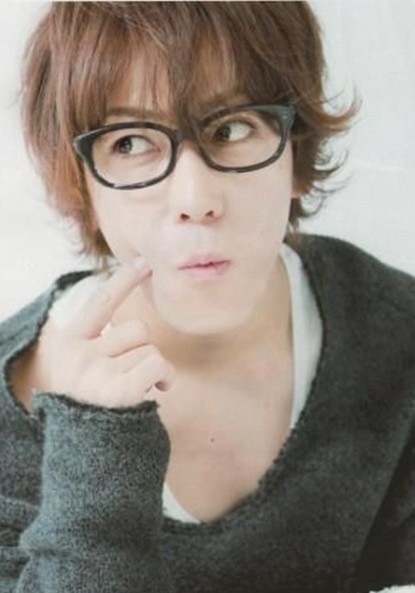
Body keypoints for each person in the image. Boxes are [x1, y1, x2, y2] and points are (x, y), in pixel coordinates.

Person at [0, 2, 413, 592]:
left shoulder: (396, 339)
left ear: (296, 152)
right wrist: (96, 444)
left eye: (232, 128)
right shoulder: (11, 420)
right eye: (131, 142)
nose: (195, 199)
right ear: (81, 186)